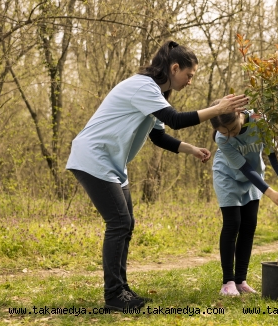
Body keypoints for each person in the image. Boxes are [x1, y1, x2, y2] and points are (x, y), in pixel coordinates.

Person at [66, 41, 248, 310]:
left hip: (112, 164)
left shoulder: (155, 95)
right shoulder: (143, 86)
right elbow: (176, 119)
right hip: (93, 157)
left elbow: (158, 135)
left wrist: (190, 149)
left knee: (125, 224)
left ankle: (122, 290)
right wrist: (218, 110)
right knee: (119, 223)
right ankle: (114, 296)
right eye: (189, 75)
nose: (189, 82)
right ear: (175, 68)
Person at [209, 101, 278, 296]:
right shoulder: (221, 139)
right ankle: (228, 282)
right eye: (226, 132)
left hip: (255, 178)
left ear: (240, 114)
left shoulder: (259, 121)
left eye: (233, 128)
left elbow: (273, 152)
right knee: (233, 224)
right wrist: (270, 192)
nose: (230, 134)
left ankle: (240, 280)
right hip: (228, 176)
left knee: (249, 225)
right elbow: (243, 168)